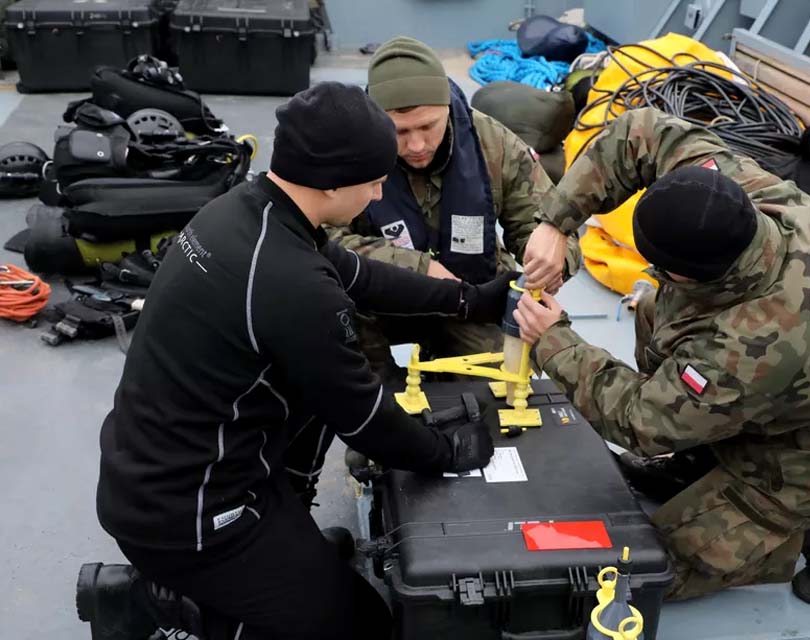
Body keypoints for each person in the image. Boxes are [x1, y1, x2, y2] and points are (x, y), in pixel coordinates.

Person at [77, 82, 511, 640]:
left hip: (163, 469)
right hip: (194, 517)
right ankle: (159, 602)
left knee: (302, 400)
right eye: (373, 180)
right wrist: (446, 452)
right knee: (366, 628)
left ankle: (284, 548)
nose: (379, 192)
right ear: (331, 181)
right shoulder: (291, 284)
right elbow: (363, 418)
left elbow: (358, 274)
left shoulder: (247, 212)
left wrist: (471, 300)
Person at [514, 107, 810, 608]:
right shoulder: (747, 193)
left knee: (645, 573)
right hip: (776, 401)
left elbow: (641, 421)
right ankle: (700, 451)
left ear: (690, 273)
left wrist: (553, 340)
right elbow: (642, 132)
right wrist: (556, 223)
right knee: (655, 309)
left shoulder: (755, 343)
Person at [323, 36, 581, 380]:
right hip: (378, 298)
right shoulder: (346, 150)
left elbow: (549, 222)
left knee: (505, 383)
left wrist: (552, 260)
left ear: (447, 107)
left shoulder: (493, 144)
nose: (417, 145)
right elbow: (319, 241)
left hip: (473, 296)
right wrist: (421, 270)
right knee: (332, 342)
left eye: (428, 126)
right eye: (399, 131)